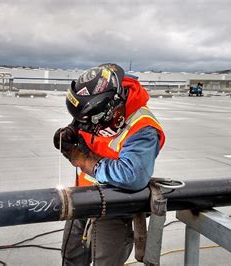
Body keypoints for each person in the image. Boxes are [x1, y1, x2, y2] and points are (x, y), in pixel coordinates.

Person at [53, 63, 166, 266]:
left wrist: (86, 161)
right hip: (81, 198)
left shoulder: (142, 128)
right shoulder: (98, 103)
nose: (83, 126)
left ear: (111, 111)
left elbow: (132, 175)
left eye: (88, 122)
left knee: (106, 263)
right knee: (71, 257)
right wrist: (70, 132)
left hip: (114, 209)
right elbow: (82, 124)